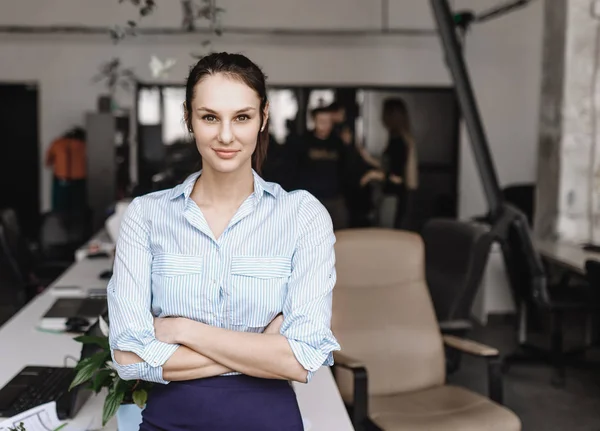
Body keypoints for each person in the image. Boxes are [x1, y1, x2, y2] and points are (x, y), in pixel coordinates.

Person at [107, 52, 340, 431]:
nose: (226, 135)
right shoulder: (146, 215)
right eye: (210, 117)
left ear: (264, 117)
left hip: (268, 421)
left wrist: (183, 330)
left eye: (242, 117)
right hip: (169, 421)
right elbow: (130, 358)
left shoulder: (302, 215)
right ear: (188, 118)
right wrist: (264, 348)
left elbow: (302, 359)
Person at [297, 107, 348, 229]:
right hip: (311, 199)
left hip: (335, 198)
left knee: (341, 234)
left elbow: (346, 168)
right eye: (321, 121)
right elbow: (295, 170)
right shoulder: (304, 142)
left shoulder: (338, 143)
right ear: (314, 121)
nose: (324, 125)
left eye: (328, 121)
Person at [380, 97, 419, 229]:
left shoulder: (398, 141)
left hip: (394, 194)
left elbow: (397, 177)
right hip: (398, 194)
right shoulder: (400, 137)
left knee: (388, 231)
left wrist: (375, 175)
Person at [45, 127, 87, 212]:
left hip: (61, 180)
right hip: (79, 181)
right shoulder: (84, 145)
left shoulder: (57, 143)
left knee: (60, 207)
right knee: (78, 206)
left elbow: (48, 163)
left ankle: (61, 222)